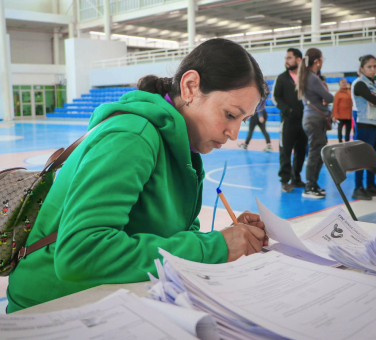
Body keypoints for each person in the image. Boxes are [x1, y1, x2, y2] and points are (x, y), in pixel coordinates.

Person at [7, 39, 269, 313]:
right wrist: (213, 247)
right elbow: (80, 252)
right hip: (51, 308)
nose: (235, 133)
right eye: (230, 114)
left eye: (243, 120)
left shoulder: (184, 149)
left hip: (105, 298)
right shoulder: (133, 136)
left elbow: (171, 235)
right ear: (190, 86)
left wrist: (227, 238)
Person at [351, 55, 376, 200]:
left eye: (375, 66)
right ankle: (358, 187)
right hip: (366, 124)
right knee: (362, 157)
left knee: (373, 157)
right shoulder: (359, 84)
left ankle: (370, 185)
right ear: (362, 68)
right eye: (369, 66)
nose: (373, 69)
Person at [296, 48, 333, 199]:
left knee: (318, 153)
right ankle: (310, 186)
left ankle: (313, 184)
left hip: (313, 119)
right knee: (315, 153)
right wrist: (326, 95)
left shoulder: (308, 77)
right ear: (317, 61)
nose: (323, 61)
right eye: (322, 58)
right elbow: (329, 98)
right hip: (315, 119)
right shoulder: (312, 78)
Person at [273, 48, 307, 193]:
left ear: (298, 60)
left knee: (301, 151)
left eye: (289, 58)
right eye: (286, 58)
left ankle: (296, 178)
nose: (286, 61)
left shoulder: (305, 78)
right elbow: (276, 98)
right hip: (288, 121)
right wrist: (288, 110)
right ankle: (285, 181)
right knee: (285, 151)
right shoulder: (281, 78)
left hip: (304, 121)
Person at [332, 78, 353, 142]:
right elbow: (335, 106)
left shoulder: (350, 92)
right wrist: (335, 116)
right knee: (340, 130)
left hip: (349, 115)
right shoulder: (338, 94)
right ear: (339, 84)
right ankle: (340, 141)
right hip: (340, 116)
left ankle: (347, 141)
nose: (344, 84)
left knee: (348, 130)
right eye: (343, 83)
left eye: (345, 82)